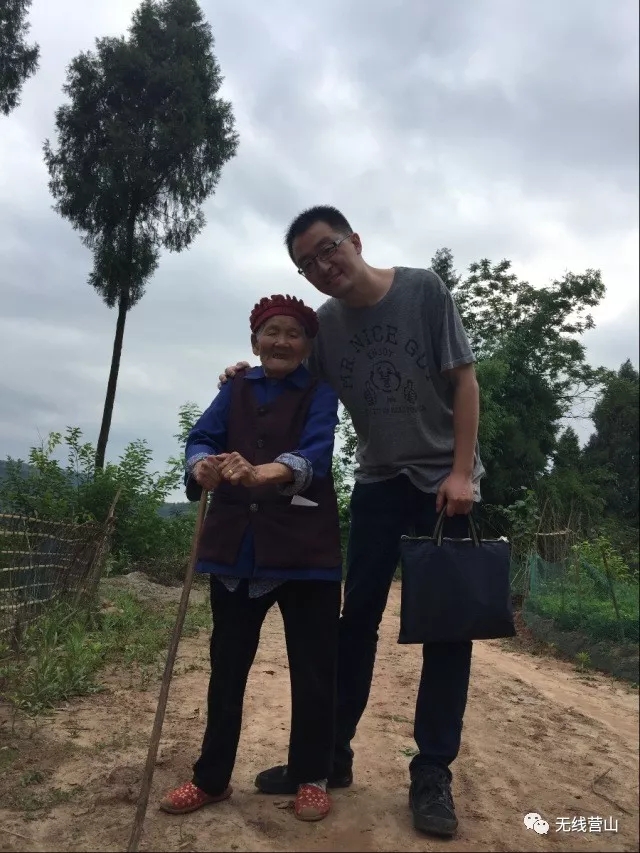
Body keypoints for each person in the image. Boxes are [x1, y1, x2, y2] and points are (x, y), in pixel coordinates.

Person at [220, 206, 484, 838]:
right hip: (377, 485)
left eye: (327, 248)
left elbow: (465, 381)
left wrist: (461, 472)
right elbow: (287, 377)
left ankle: (431, 772)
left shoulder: (422, 290)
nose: (322, 265)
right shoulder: (326, 329)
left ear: (354, 240)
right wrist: (243, 377)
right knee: (355, 621)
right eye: (306, 263)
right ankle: (327, 758)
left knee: (447, 630)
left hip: (442, 486)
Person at [159, 294, 343, 823]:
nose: (281, 341)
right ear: (255, 341)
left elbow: (316, 453)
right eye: (271, 332)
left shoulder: (319, 392)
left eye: (293, 334)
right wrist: (202, 465)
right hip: (235, 550)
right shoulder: (234, 388)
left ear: (306, 346)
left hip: (306, 553)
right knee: (227, 668)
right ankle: (211, 779)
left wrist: (264, 471)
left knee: (313, 669)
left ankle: (311, 776)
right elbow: (202, 437)